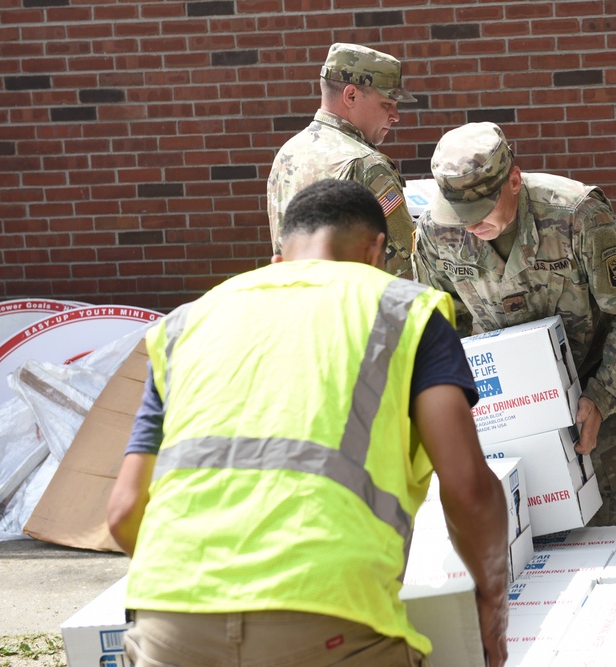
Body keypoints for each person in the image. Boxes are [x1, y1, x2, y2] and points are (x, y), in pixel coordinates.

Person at [108, 179, 509, 667]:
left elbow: (125, 512)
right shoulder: (402, 309)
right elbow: (468, 488)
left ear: (280, 257)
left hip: (170, 620)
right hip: (329, 617)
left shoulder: (186, 323)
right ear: (377, 250)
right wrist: (491, 602)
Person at [414, 122, 616, 529]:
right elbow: (439, 331)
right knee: (528, 548)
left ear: (514, 180)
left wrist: (601, 399)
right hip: (505, 415)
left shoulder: (576, 215)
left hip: (593, 396)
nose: (469, 225)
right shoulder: (436, 232)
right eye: (458, 214)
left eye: (480, 211)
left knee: (615, 534)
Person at [266, 43, 419, 279]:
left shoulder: (289, 153)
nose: (396, 116)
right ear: (351, 95)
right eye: (387, 104)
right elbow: (406, 267)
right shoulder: (365, 164)